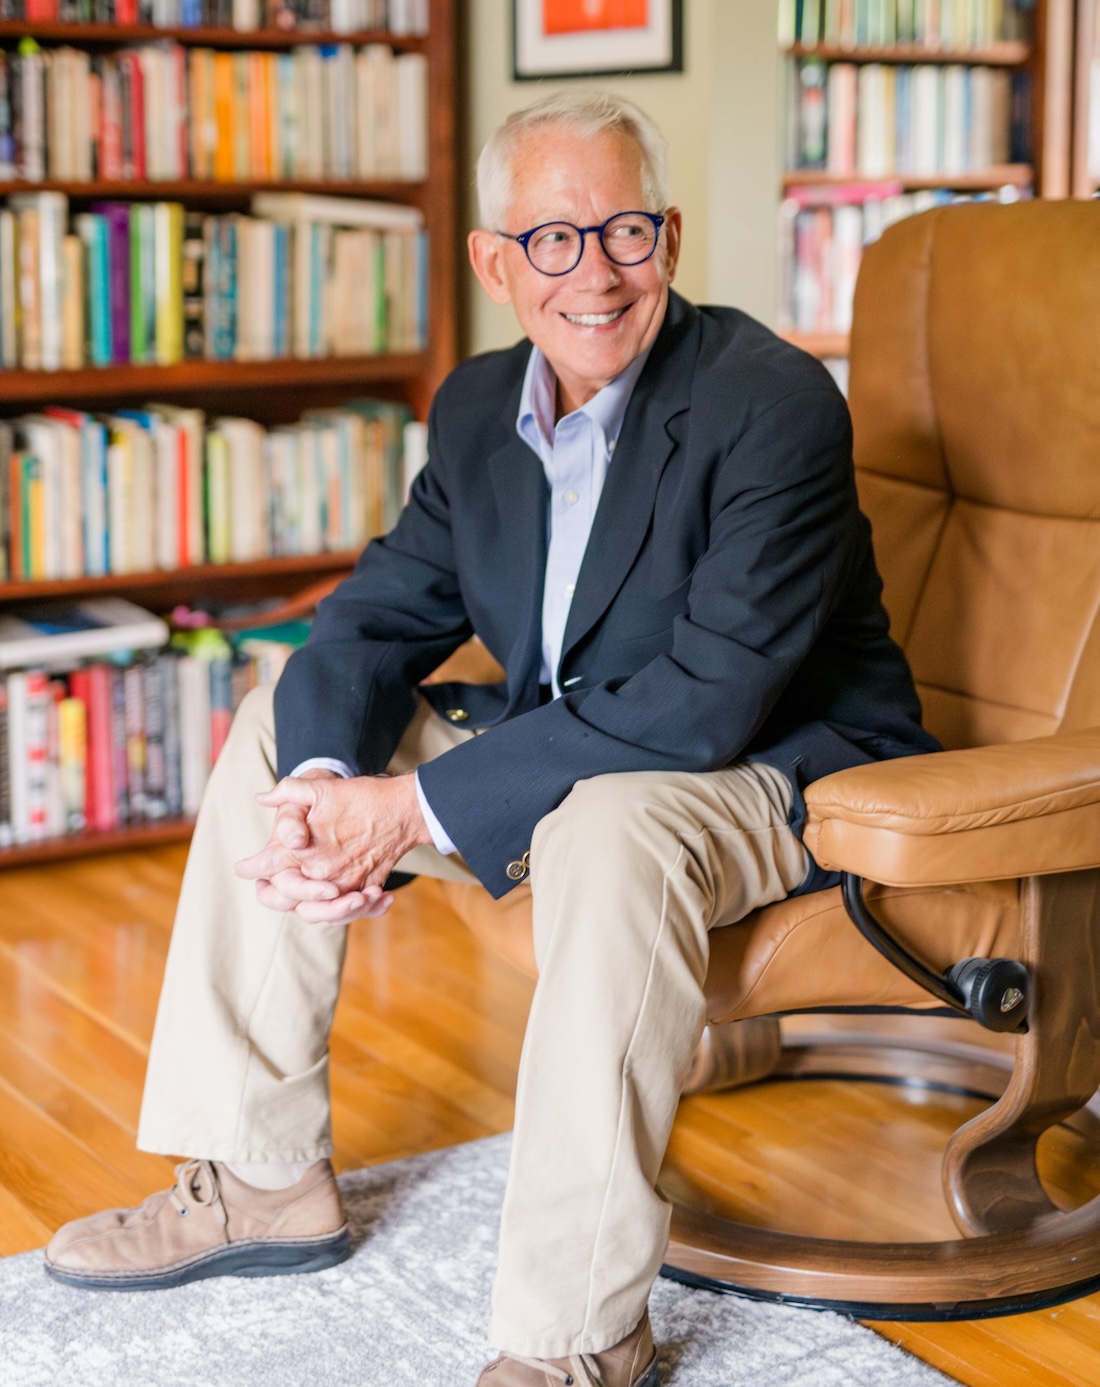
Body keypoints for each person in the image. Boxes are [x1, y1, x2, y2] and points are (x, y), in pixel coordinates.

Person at [44, 91, 937, 1387]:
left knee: (612, 823)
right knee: (275, 724)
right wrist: (323, 789)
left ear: (671, 238)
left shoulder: (772, 401)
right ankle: (260, 1178)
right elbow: (376, 616)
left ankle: (577, 1335)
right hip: (578, 744)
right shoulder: (476, 410)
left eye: (627, 232)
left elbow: (705, 702)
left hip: (781, 767)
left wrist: (408, 817)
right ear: (495, 259)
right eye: (555, 239)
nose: (596, 273)